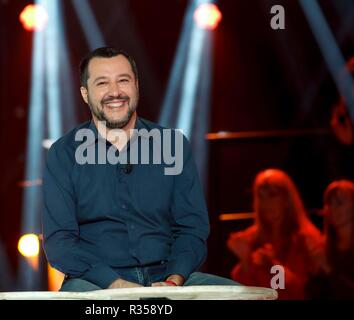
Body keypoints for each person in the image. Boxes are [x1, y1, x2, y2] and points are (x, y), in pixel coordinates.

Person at [42, 47, 237, 292]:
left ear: (136, 85)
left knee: (244, 297)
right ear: (85, 93)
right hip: (95, 283)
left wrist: (172, 281)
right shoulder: (63, 154)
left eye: (123, 80)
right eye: (102, 83)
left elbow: (192, 229)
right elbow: (60, 243)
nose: (115, 92)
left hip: (168, 278)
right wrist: (116, 285)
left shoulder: (172, 145)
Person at [227, 169, 324, 299]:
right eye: (261, 196)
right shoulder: (251, 237)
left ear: (287, 199)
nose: (266, 203)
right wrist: (245, 260)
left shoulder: (306, 238)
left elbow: (301, 291)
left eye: (272, 195)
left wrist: (273, 265)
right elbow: (242, 292)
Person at [306, 180, 354, 299]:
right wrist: (314, 272)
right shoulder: (324, 246)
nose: (332, 208)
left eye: (339, 202)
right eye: (329, 204)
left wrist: (328, 269)